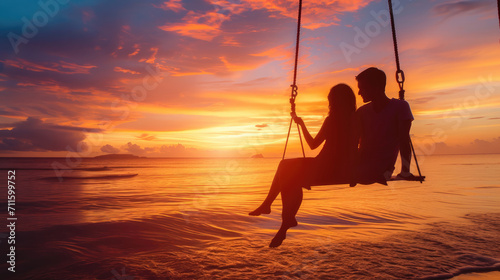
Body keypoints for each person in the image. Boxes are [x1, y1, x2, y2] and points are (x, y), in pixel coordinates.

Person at [249, 83, 356, 247]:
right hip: (341, 169)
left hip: (323, 167)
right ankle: (283, 220)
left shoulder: (332, 120)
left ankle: (275, 210)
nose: (329, 104)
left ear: (335, 102)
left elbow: (313, 145)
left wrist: (301, 124)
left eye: (330, 101)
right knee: (289, 173)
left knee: (285, 167)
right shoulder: (357, 120)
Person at [351, 67, 415, 186]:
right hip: (359, 168)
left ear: (377, 87)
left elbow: (404, 142)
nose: (359, 92)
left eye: (362, 88)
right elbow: (354, 144)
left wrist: (405, 171)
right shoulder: (361, 112)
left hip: (380, 171)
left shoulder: (400, 107)